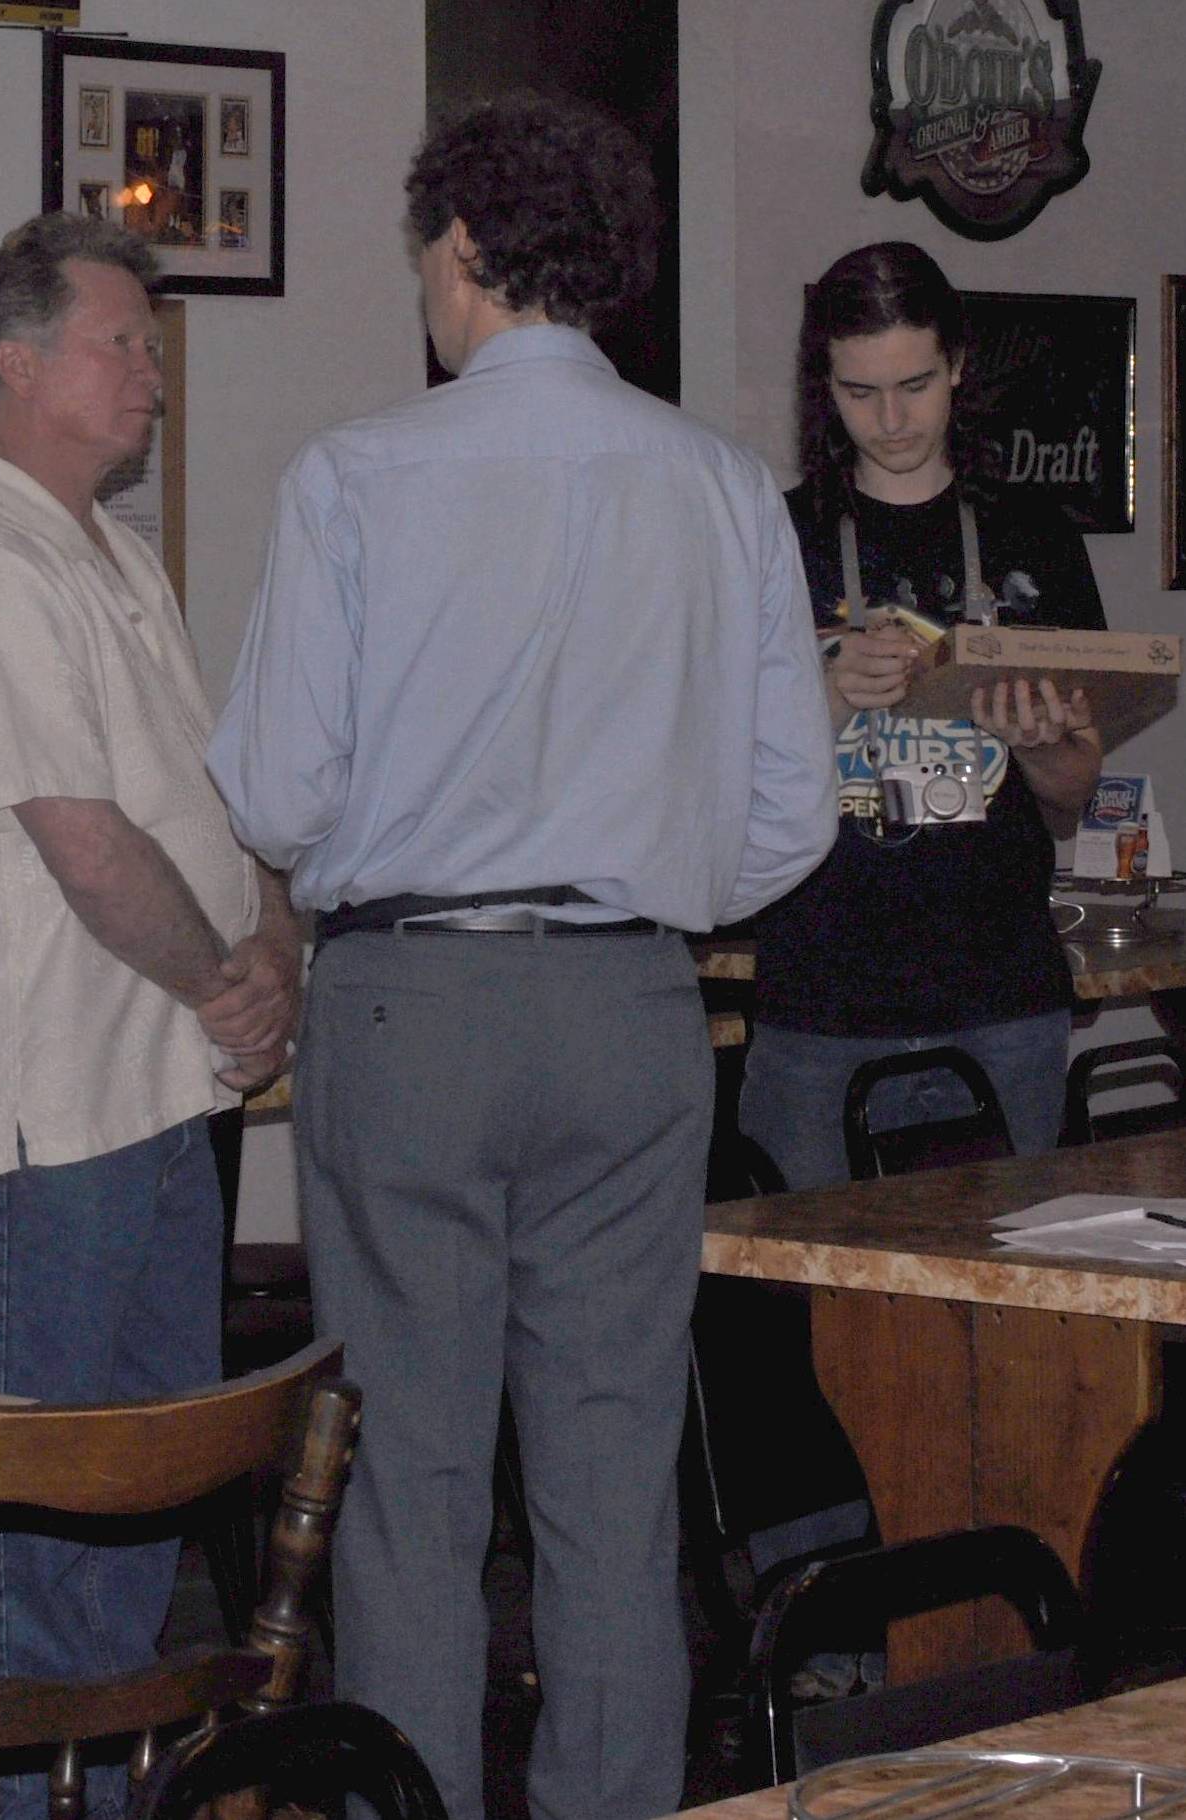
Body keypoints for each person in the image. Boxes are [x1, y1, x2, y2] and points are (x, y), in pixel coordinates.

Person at [208, 93, 836, 1819]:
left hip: (411, 1006)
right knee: (614, 1482)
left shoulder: (355, 474)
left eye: (425, 251)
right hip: (631, 1004)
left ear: (468, 251)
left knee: (409, 1485)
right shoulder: (719, 484)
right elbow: (790, 816)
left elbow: (274, 792)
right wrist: (653, 883)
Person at [0, 211, 302, 1820]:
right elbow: (86, 844)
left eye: (149, 346)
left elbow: (207, 804)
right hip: (45, 1124)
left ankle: (105, 1798)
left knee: (134, 1508)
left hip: (154, 1098)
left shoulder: (105, 551)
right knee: (34, 1534)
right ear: (14, 362)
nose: (151, 376)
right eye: (120, 343)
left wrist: (274, 940)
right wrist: (223, 979)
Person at [744, 241, 1105, 1188]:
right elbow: (720, 780)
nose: (892, 420)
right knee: (809, 1282)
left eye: (915, 385)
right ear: (824, 387)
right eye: (860, 392)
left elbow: (1074, 791)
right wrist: (826, 697)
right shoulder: (775, 538)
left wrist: (1038, 745)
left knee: (1006, 1274)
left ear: (958, 367)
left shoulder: (1037, 538)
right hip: (818, 1004)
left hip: (1003, 998)